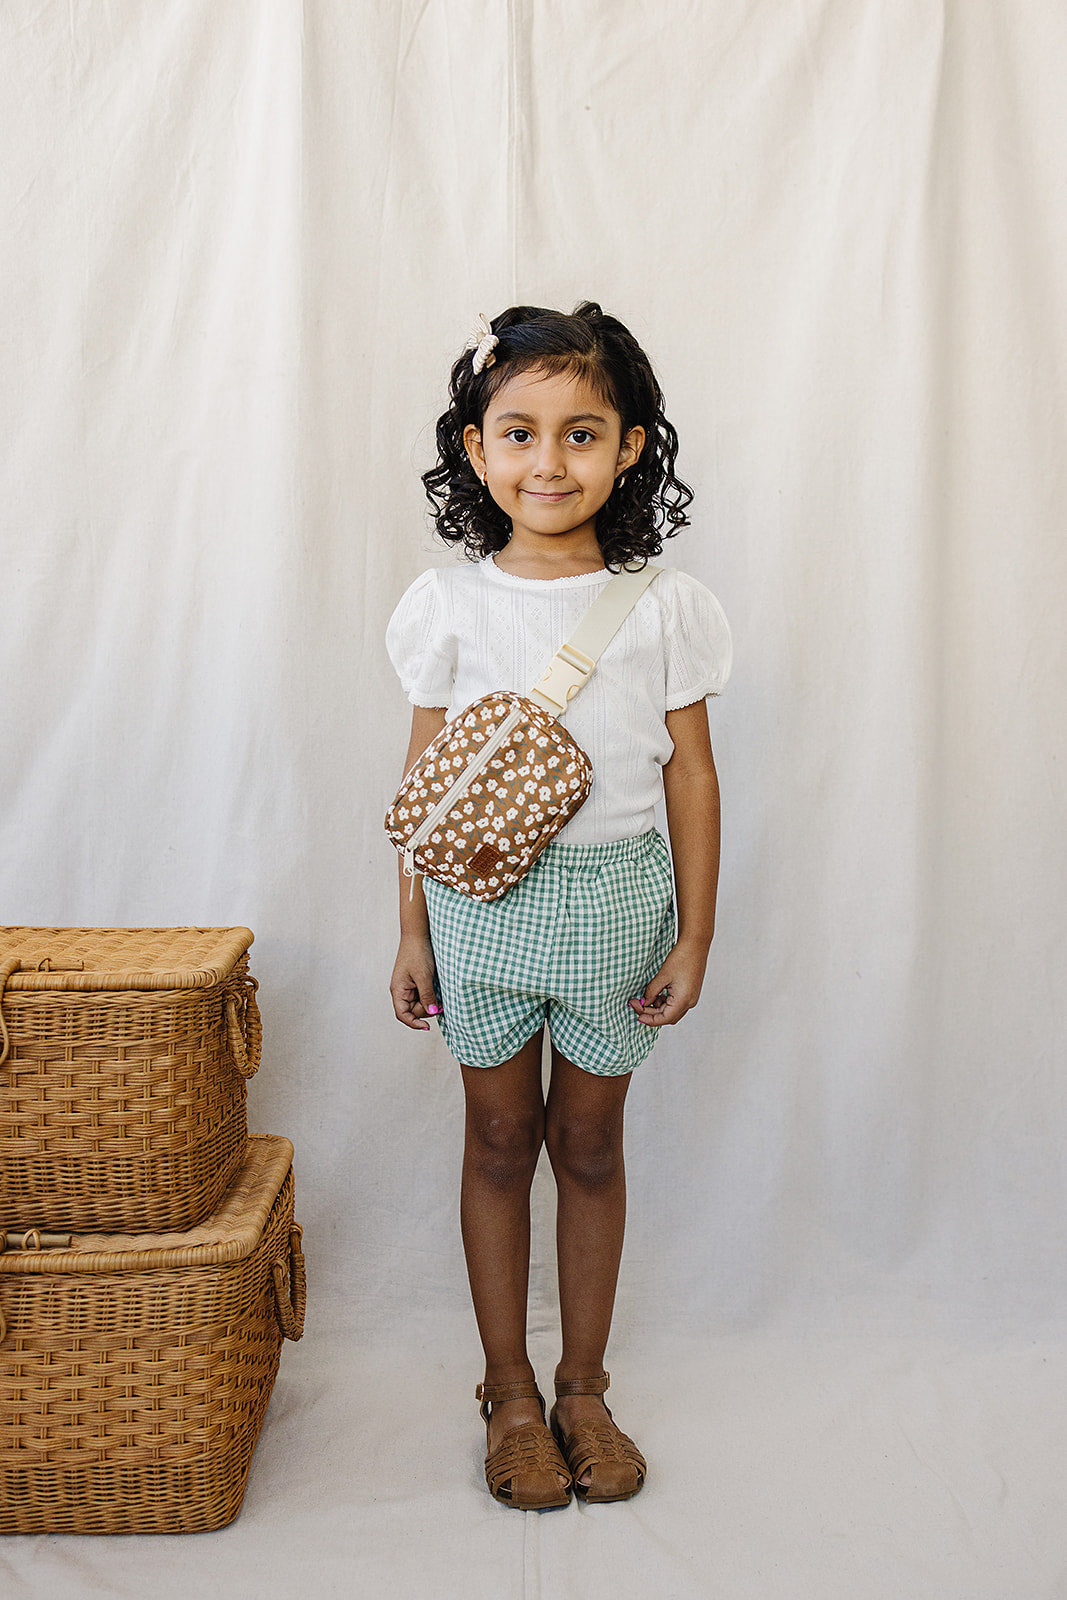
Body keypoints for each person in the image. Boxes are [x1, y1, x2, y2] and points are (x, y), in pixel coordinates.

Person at [387, 302, 731, 1510]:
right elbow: (427, 787)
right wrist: (411, 928)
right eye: (518, 432)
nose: (548, 461)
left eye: (580, 433)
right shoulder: (445, 604)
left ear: (629, 446)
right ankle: (507, 1390)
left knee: (587, 1143)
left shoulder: (662, 605)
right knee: (497, 1141)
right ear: (474, 449)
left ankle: (583, 1385)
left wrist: (694, 933)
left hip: (617, 913)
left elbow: (691, 776)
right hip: (477, 913)